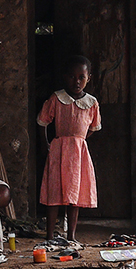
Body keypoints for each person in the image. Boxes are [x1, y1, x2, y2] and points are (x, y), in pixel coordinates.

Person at [37, 55, 100, 243]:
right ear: (65, 77)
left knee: (75, 193)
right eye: (72, 77)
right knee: (54, 192)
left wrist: (79, 141)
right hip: (58, 150)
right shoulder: (56, 99)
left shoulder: (92, 103)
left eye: (82, 77)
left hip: (79, 153)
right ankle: (49, 235)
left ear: (89, 78)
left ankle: (71, 236)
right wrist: (46, 144)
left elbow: (93, 128)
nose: (77, 81)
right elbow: (42, 121)